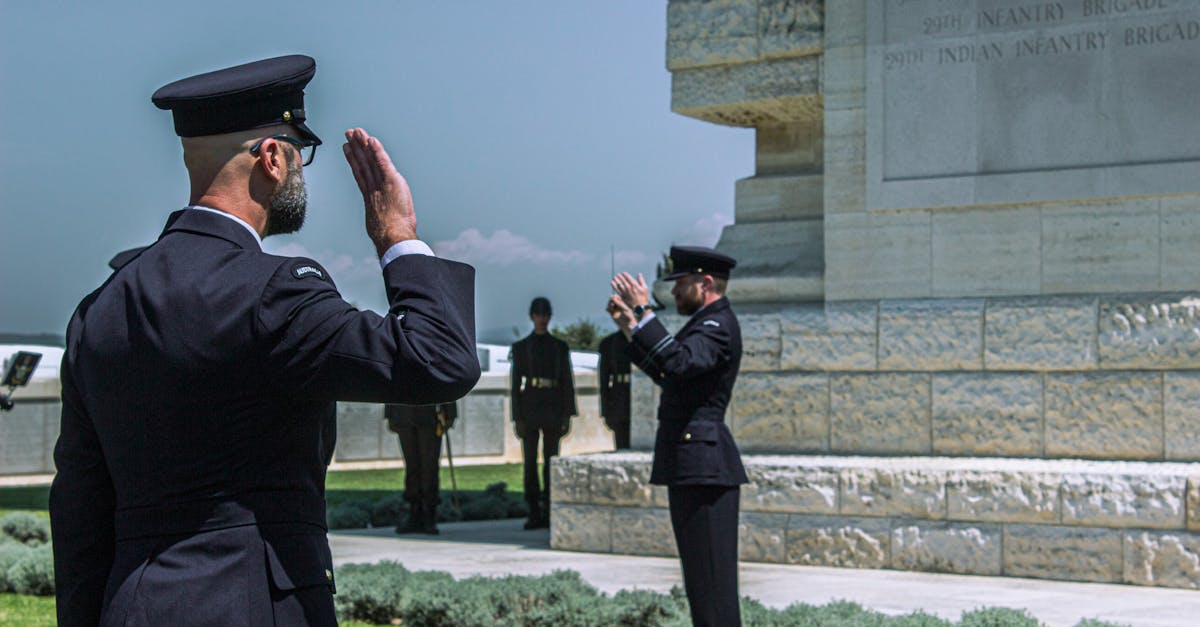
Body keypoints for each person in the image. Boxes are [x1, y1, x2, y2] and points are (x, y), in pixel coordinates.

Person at [48, 55, 480, 627]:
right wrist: (397, 236)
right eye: (301, 153)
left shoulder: (101, 308)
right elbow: (438, 359)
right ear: (273, 158)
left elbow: (79, 512)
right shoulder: (273, 292)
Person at [607, 246, 747, 627]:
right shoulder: (704, 324)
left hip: (706, 469)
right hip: (693, 466)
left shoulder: (717, 325)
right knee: (702, 586)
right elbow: (670, 374)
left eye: (681, 283)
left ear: (705, 283)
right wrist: (630, 326)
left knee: (713, 587)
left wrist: (644, 311)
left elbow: (679, 361)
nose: (675, 292)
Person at [509, 296, 576, 529]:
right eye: (538, 315)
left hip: (553, 406)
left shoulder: (559, 347)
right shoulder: (521, 348)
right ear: (532, 317)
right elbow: (515, 385)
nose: (542, 319)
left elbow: (567, 381)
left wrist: (567, 414)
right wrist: (517, 417)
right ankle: (533, 511)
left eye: (545, 315)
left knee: (551, 461)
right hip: (530, 406)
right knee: (529, 462)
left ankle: (549, 508)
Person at [385, 402, 457, 535]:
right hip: (404, 414)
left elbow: (447, 387)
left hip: (431, 416)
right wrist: (390, 413)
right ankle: (414, 513)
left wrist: (450, 413)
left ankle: (429, 515)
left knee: (429, 468)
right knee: (411, 468)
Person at [597, 331, 633, 449]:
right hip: (619, 399)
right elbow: (604, 382)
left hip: (641, 398)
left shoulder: (646, 339)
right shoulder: (609, 343)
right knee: (621, 444)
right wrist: (606, 411)